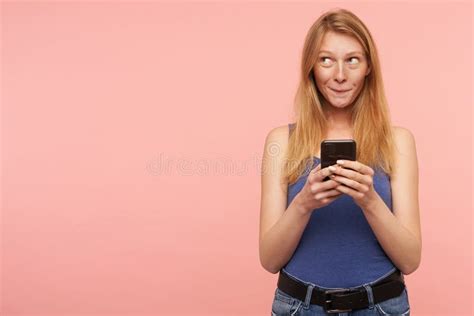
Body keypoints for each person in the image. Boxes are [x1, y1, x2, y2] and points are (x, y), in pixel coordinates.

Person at [259, 8, 421, 316]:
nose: (340, 75)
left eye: (352, 60)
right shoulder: (280, 142)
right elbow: (269, 260)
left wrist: (369, 200)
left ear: (368, 66)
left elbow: (410, 260)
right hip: (299, 308)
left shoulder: (398, 142)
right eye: (326, 60)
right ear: (311, 67)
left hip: (381, 307)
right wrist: (304, 203)